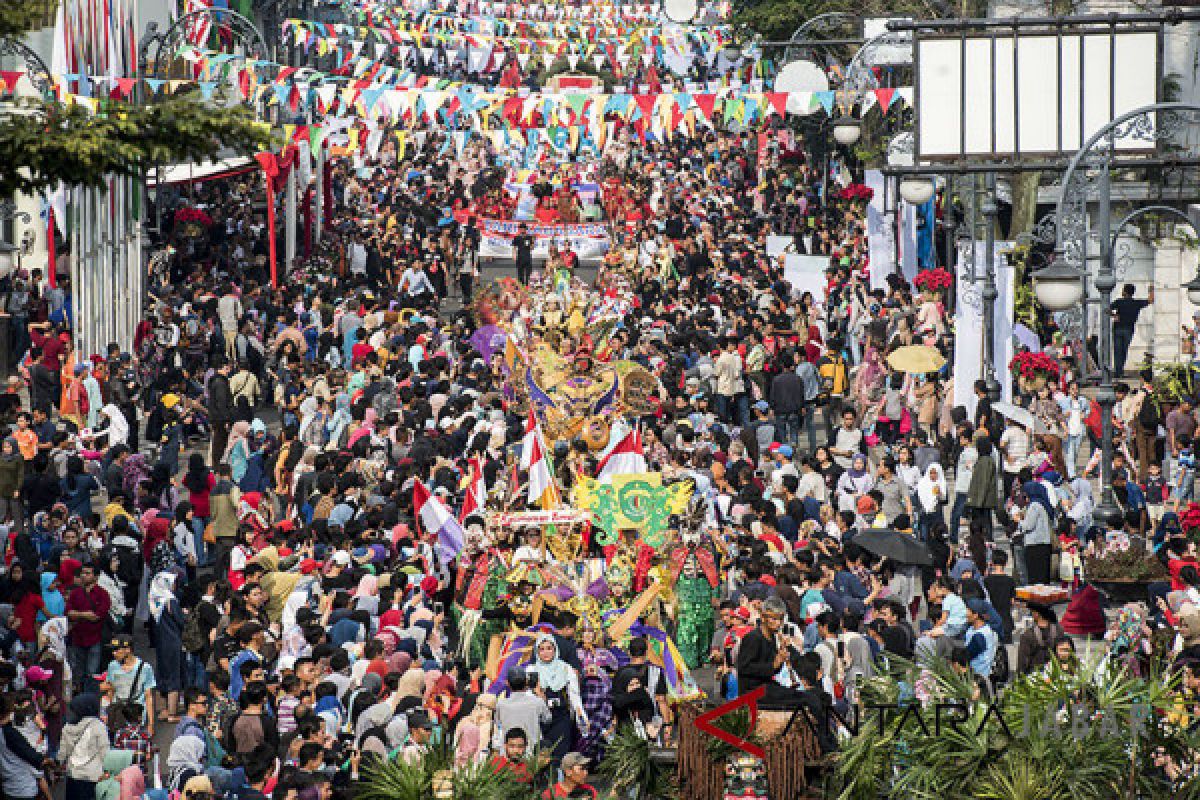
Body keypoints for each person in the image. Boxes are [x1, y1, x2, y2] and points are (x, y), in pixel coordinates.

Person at [1112, 283, 1153, 376]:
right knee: (1124, 350)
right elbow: (1150, 300)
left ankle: (1118, 371)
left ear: (1125, 292)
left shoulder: (1119, 302)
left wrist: (1114, 315)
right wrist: (1151, 290)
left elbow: (1106, 308)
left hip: (1118, 328)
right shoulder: (1136, 303)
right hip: (1129, 329)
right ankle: (1120, 370)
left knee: (1117, 350)